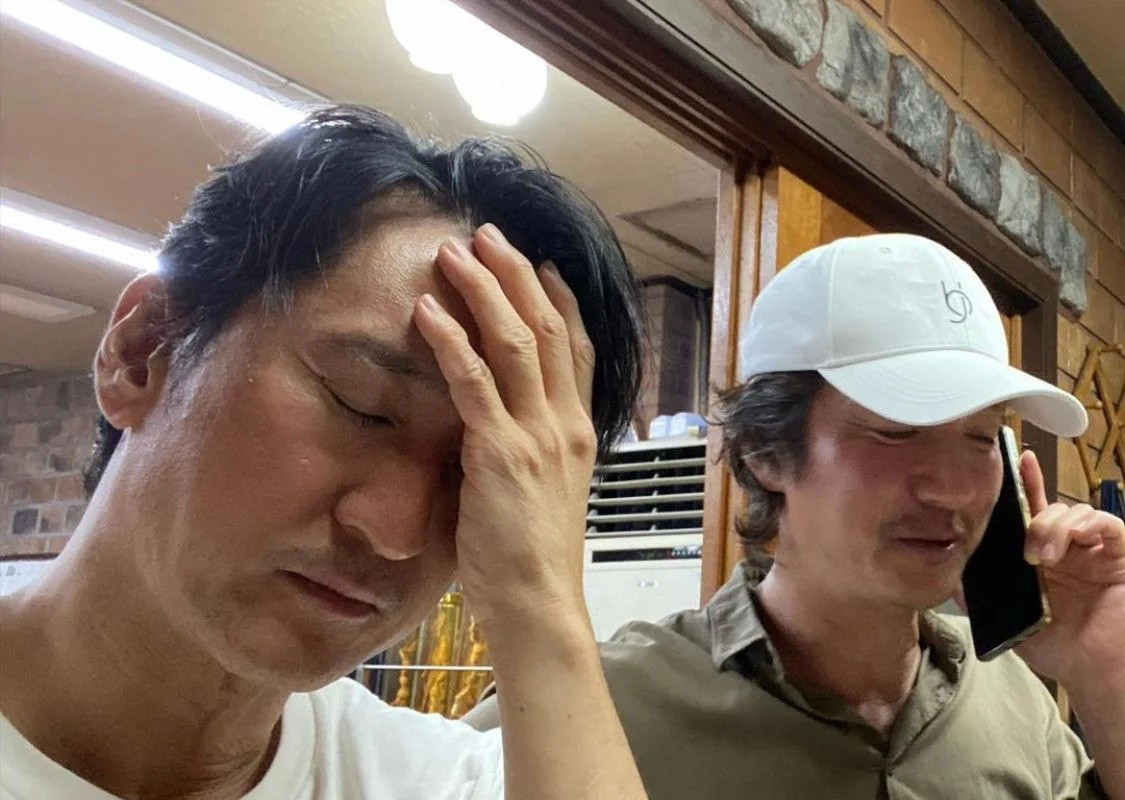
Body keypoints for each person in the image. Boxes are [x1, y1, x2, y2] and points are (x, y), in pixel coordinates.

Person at [0, 104, 651, 800]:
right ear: (142, 352)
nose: (397, 534)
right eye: (360, 405)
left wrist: (541, 609)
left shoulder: (444, 783)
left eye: (472, 474)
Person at [467, 233, 1125, 799]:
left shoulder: (1013, 695)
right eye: (895, 431)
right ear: (765, 450)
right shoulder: (598, 704)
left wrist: (1105, 672)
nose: (953, 490)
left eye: (981, 439)